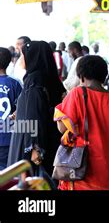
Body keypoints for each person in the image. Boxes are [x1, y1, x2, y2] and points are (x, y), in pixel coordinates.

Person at [54, 55, 109, 190]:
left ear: (81, 76)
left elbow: (62, 127)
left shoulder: (76, 94)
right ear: (104, 76)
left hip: (83, 167)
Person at [7, 41, 65, 183]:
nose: (21, 58)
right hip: (49, 139)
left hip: (31, 142)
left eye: (23, 55)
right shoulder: (47, 77)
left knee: (29, 181)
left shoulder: (34, 81)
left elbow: (34, 114)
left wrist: (34, 147)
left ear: (33, 57)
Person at [0, 48, 22, 170]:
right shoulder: (15, 83)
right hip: (8, 137)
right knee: (8, 174)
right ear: (9, 62)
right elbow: (22, 108)